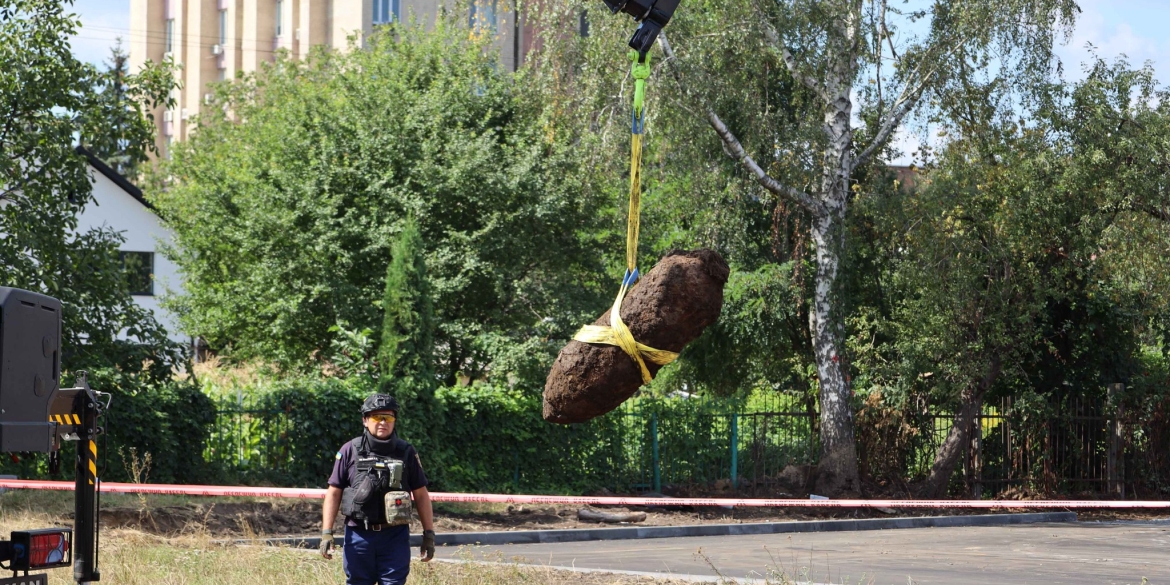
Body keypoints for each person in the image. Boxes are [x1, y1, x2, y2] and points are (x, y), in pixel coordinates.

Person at [320, 393, 436, 585]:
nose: (383, 422)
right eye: (376, 417)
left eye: (388, 417)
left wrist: (429, 535)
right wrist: (326, 533)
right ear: (365, 420)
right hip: (358, 534)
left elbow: (421, 495)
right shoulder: (350, 450)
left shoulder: (406, 452)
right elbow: (334, 492)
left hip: (394, 537)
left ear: (395, 421)